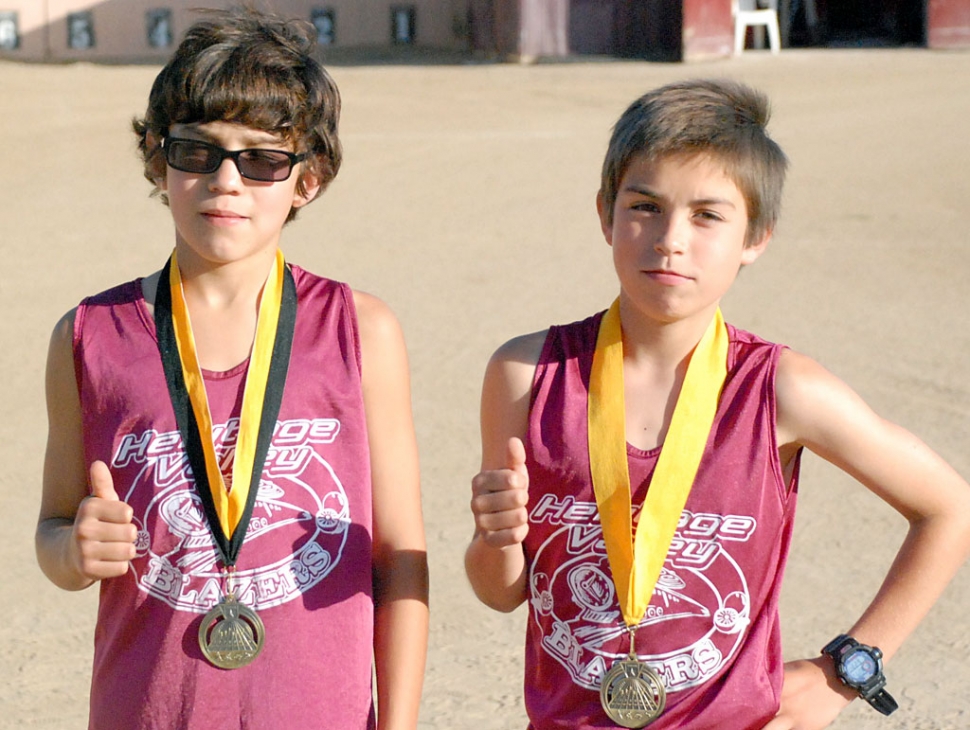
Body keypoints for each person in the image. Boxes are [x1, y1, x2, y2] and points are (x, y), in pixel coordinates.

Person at [465, 78, 970, 729]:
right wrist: (494, 539)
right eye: (644, 205)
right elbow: (503, 591)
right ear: (605, 213)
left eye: (707, 215)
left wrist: (848, 671)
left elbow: (948, 506)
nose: (671, 237)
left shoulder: (780, 389)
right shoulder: (528, 374)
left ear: (755, 236)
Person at [35, 7, 428, 729]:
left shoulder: (361, 331)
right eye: (197, 151)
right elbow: (54, 530)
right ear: (158, 159)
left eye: (263, 159)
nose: (227, 179)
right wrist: (75, 548)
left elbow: (400, 558)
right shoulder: (87, 336)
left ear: (308, 179)